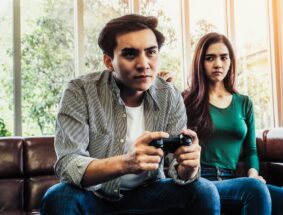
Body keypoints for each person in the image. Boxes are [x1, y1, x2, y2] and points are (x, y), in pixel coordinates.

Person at [40, 15, 220, 215]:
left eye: (151, 52)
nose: (144, 64)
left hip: (149, 195)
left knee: (204, 190)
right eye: (130, 54)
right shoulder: (80, 91)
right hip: (95, 197)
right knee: (59, 196)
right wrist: (126, 163)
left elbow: (179, 171)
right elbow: (68, 164)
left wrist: (188, 166)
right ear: (109, 61)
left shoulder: (169, 96)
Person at [183, 32, 283, 215]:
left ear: (231, 61)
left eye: (223, 57)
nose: (218, 64)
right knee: (253, 191)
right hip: (201, 180)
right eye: (210, 58)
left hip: (235, 180)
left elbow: (251, 150)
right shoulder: (188, 101)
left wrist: (253, 174)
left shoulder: (244, 103)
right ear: (200, 63)